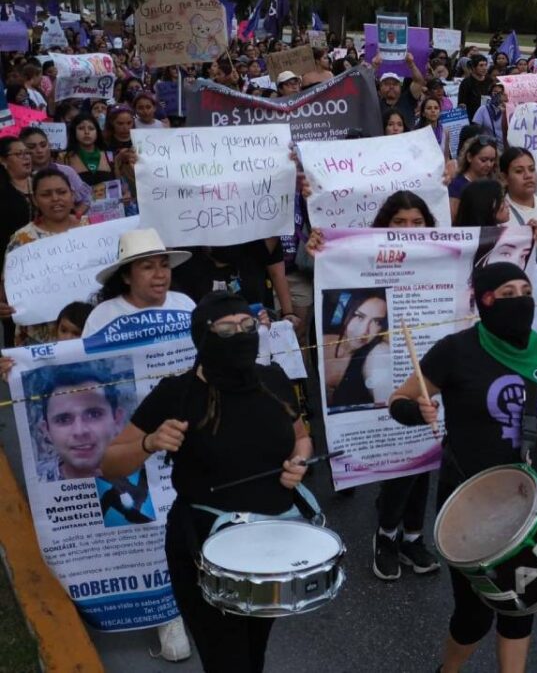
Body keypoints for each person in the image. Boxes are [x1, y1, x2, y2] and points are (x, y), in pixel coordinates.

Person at [101, 292, 313, 672]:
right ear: (203, 337)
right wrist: (150, 442)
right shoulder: (176, 393)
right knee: (227, 661)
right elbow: (109, 464)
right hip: (205, 548)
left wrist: (300, 460)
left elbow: (301, 435)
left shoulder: (272, 379)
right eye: (227, 330)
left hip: (270, 545)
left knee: (253, 652)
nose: (242, 335)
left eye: (248, 327)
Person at [388, 262, 537, 673]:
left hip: (526, 499)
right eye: (506, 293)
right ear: (485, 301)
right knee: (474, 616)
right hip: (466, 503)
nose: (519, 300)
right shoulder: (455, 350)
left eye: (525, 291)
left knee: (522, 604)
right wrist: (415, 410)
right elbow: (398, 400)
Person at [305, 190, 442, 578]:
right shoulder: (365, 261)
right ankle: (387, 534)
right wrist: (319, 246)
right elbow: (325, 267)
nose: (409, 231)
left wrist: (524, 237)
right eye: (400, 223)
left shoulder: (442, 254)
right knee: (402, 455)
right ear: (383, 226)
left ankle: (413, 536)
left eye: (418, 223)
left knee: (424, 451)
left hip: (429, 366)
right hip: (390, 377)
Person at [1, 170, 88, 345]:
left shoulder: (93, 229)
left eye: (62, 192)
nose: (55, 199)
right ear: (35, 200)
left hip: (88, 330)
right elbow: (6, 288)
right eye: (46, 194)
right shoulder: (22, 239)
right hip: (39, 336)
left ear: (72, 195)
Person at [83, 228, 195, 338]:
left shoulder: (185, 304)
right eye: (148, 267)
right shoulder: (102, 317)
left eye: (165, 265)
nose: (160, 274)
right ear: (126, 276)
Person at [321, 290, 390, 410]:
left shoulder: (375, 354)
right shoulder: (321, 343)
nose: (364, 331)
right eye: (359, 316)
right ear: (348, 313)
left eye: (376, 322)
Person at [20, 127, 92, 209]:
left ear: (49, 145)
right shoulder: (19, 177)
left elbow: (86, 200)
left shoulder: (66, 171)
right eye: (32, 147)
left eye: (43, 145)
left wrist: (74, 217)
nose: (39, 150)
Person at [449, 136, 499, 220]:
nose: (489, 165)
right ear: (469, 157)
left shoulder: (493, 183)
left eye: (492, 160)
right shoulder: (456, 185)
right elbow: (453, 218)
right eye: (483, 160)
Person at [61, 114, 114, 186]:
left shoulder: (109, 155)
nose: (86, 132)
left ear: (97, 132)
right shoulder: (64, 157)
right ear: (74, 132)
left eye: (91, 128)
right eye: (81, 128)